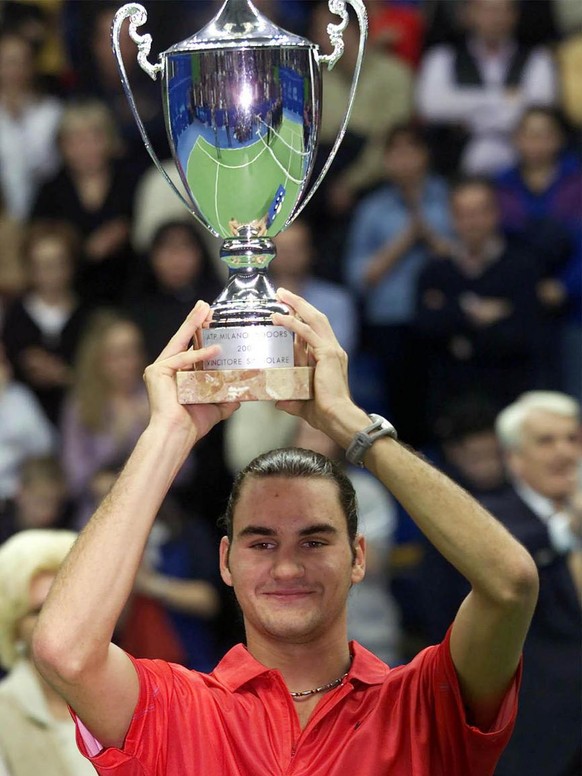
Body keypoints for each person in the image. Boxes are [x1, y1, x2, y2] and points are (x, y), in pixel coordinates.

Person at [32, 290, 539, 775]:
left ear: (358, 556)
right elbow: (65, 651)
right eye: (262, 542)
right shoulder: (172, 707)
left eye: (315, 541)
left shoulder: (423, 703)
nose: (288, 566)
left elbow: (510, 583)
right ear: (225, 561)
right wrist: (168, 433)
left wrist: (348, 422)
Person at [482, 391, 582, 776]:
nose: (565, 451)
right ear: (513, 458)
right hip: (533, 736)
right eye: (546, 441)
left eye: (572, 439)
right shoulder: (490, 518)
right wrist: (567, 529)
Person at [344, 123, 452, 445]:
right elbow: (360, 276)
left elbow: (464, 258)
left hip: (444, 318)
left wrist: (429, 235)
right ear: (386, 159)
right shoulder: (372, 208)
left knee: (443, 409)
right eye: (396, 151)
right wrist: (406, 239)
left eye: (412, 149)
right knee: (400, 412)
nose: (404, 159)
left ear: (426, 155)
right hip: (391, 320)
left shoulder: (449, 197)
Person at [415, 177, 540, 420]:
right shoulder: (435, 270)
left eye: (480, 212)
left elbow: (524, 333)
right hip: (450, 394)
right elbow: (425, 327)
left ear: (495, 213)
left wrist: (455, 325)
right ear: (452, 217)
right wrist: (474, 313)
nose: (472, 222)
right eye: (463, 214)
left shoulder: (522, 266)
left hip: (509, 390)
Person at [416, 0, 558, 176]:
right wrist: (505, 100)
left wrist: (466, 111)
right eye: (488, 11)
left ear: (515, 16)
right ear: (468, 14)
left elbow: (541, 105)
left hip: (522, 167)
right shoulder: (443, 57)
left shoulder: (538, 58)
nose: (495, 18)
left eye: (503, 11)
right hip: (454, 166)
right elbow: (432, 107)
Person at [0, 529, 96, 776]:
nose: (55, 620)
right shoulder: (5, 714)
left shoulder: (133, 691)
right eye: (37, 611)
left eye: (63, 602)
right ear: (13, 628)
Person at [30, 99, 138, 306]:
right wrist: (82, 248)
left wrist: (127, 232)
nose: (85, 149)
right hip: (70, 293)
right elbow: (38, 239)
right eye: (76, 140)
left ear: (109, 139)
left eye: (93, 138)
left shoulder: (131, 180)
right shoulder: (51, 188)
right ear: (62, 146)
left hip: (130, 284)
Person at [59, 310, 149, 527]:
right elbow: (74, 477)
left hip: (152, 508)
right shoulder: (81, 404)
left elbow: (186, 471)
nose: (129, 362)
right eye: (118, 355)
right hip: (96, 513)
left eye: (133, 351)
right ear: (98, 359)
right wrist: (117, 436)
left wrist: (154, 427)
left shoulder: (152, 395)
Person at [1, 220, 89, 426]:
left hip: (79, 421)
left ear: (71, 265)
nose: (50, 274)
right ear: (29, 268)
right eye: (41, 265)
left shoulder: (86, 317)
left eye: (57, 263)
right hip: (23, 424)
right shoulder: (15, 315)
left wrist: (65, 376)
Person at [0, 31, 62, 220]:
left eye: (20, 62)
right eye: (7, 61)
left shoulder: (52, 113)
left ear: (32, 66)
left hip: (45, 216)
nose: (13, 70)